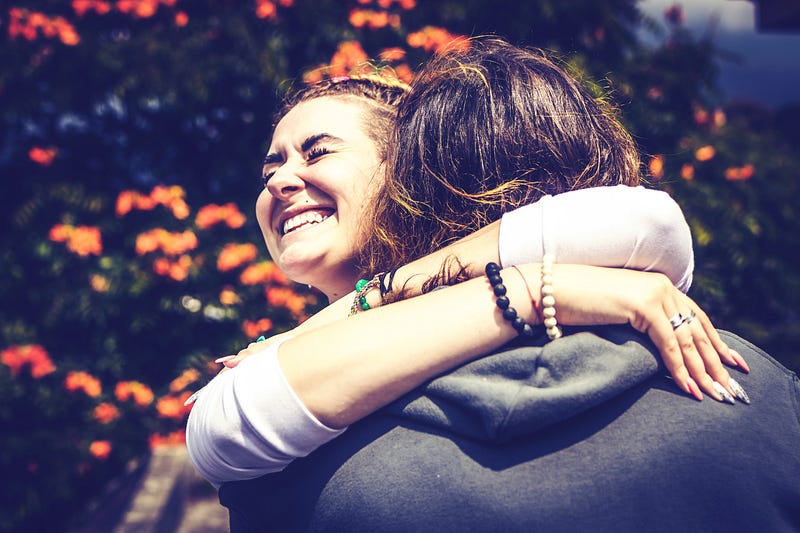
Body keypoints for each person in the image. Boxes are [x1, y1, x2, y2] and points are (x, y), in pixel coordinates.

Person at [206, 38, 799, 532]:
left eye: (318, 153)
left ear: (406, 179)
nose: (283, 180)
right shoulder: (766, 396)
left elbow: (648, 223)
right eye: (269, 168)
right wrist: (539, 286)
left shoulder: (295, 458)